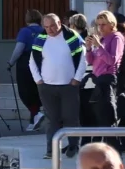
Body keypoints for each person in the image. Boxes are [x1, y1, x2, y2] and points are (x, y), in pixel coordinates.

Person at [31, 11, 88, 142]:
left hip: (69, 86)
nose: (49, 30)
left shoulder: (72, 36)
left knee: (71, 118)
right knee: (52, 120)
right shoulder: (40, 39)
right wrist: (38, 80)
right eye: (46, 27)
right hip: (47, 86)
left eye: (52, 26)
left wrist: (77, 79)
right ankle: (51, 149)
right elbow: (32, 60)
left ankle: (73, 146)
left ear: (59, 23)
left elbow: (83, 59)